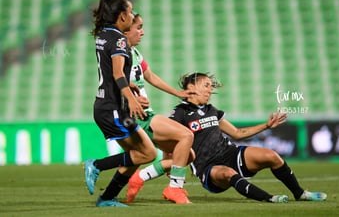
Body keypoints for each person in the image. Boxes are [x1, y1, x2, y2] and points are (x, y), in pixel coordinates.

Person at [128, 72, 327, 203]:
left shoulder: (212, 110)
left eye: (210, 86)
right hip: (207, 167)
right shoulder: (179, 113)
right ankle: (269, 199)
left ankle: (299, 193)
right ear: (191, 86)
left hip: (231, 153)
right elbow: (169, 144)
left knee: (272, 156)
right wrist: (171, 172)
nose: (210, 89)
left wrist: (266, 126)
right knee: (229, 174)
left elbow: (238, 133)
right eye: (206, 85)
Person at [83, 0, 157, 207]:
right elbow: (116, 73)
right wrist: (132, 99)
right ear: (122, 16)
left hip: (107, 106)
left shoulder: (103, 34)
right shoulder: (119, 40)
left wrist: (130, 86)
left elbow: (111, 73)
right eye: (131, 12)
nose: (134, 17)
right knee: (147, 153)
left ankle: (106, 199)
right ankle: (96, 165)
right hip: (113, 109)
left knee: (142, 153)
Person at [123, 14, 195, 204]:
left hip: (146, 112)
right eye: (138, 27)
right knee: (187, 136)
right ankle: (175, 188)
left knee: (187, 154)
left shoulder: (135, 54)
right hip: (136, 115)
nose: (142, 32)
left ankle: (139, 178)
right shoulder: (119, 55)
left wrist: (177, 93)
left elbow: (151, 76)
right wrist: (133, 97)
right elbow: (115, 82)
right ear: (126, 30)